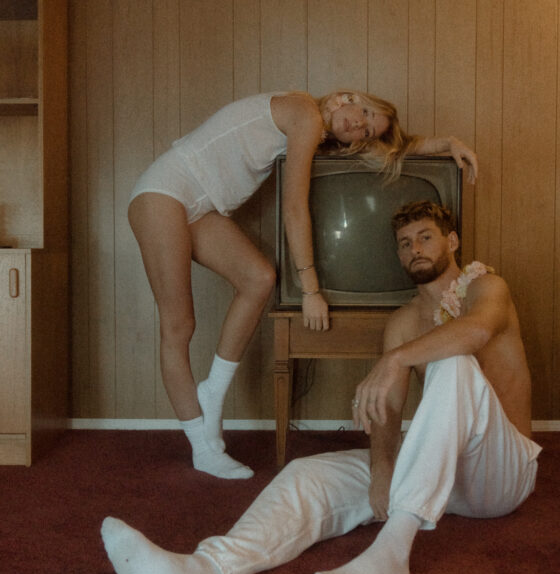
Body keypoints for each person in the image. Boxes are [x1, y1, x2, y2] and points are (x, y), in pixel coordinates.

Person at [101, 200, 541, 574]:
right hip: (441, 470)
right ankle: (201, 572)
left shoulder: (487, 286)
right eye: (405, 244)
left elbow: (477, 332)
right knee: (306, 473)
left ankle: (392, 551)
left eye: (426, 237)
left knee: (454, 364)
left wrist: (396, 358)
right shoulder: (404, 322)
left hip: (503, 472)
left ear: (453, 242)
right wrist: (383, 469)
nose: (415, 249)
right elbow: (387, 411)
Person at [127, 91, 478, 479]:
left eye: (364, 131)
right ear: (348, 97)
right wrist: (311, 291)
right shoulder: (304, 113)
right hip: (163, 193)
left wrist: (447, 143)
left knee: (259, 277)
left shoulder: (321, 130)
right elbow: (295, 208)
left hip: (200, 205)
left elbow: (398, 146)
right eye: (363, 112)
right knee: (179, 326)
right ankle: (201, 444)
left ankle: (212, 391)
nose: (357, 125)